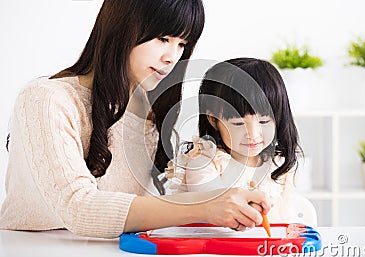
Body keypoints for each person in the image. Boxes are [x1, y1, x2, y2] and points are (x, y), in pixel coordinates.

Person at [0, 1, 270, 238]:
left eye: (182, 44)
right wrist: (203, 206)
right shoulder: (46, 98)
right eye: (163, 39)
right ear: (122, 27)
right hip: (31, 250)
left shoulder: (150, 110)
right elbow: (78, 207)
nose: (171, 57)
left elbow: (148, 208)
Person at [164, 58, 313, 227]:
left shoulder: (278, 164)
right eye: (238, 123)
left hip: (266, 250)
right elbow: (213, 204)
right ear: (213, 120)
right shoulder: (204, 161)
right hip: (213, 251)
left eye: (264, 122)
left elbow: (285, 218)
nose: (253, 134)